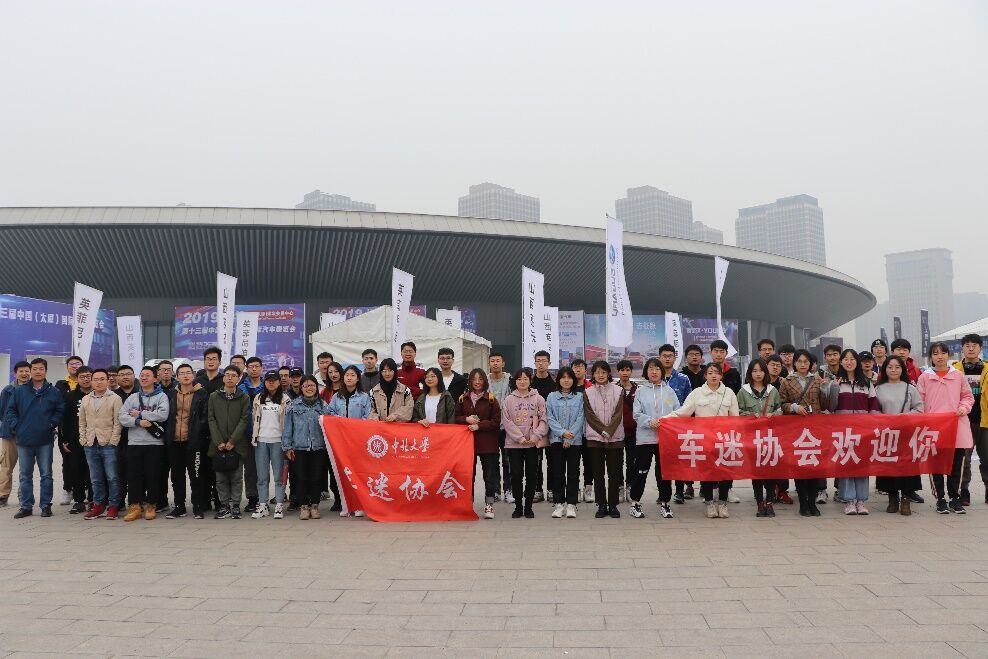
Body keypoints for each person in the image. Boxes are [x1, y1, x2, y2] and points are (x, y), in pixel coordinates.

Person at [664, 362, 740, 519]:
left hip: (724, 440)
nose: (713, 375)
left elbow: (735, 417)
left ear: (721, 375)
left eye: (716, 372)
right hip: (704, 440)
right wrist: (665, 419)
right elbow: (683, 412)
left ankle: (723, 503)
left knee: (725, 472)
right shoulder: (697, 393)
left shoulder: (729, 393)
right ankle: (709, 503)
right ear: (705, 376)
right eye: (710, 373)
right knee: (707, 473)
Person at [917, 342, 975, 515]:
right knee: (936, 464)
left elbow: (967, 396)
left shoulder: (958, 375)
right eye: (935, 353)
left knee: (957, 464)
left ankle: (954, 498)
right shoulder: (924, 378)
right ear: (931, 357)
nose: (939, 357)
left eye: (943, 353)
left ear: (948, 355)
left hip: (956, 426)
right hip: (933, 429)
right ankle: (940, 499)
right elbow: (919, 402)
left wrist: (964, 407)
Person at [6, 358, 64, 518]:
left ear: (46, 371)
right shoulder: (20, 391)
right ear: (31, 371)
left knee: (46, 474)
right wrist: (16, 426)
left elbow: (60, 410)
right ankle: (26, 506)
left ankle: (45, 505)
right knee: (25, 474)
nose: (38, 371)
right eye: (35, 368)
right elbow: (10, 411)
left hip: (45, 439)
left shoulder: (53, 391)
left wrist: (51, 423)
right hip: (24, 439)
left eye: (41, 368)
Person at [779, 349, 833, 517]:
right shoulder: (787, 381)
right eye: (799, 361)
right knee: (799, 466)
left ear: (811, 364)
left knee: (814, 466)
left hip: (814, 428)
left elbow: (825, 405)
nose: (803, 364)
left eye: (806, 362)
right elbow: (782, 404)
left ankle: (812, 502)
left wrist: (825, 389)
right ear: (794, 363)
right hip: (796, 428)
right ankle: (803, 502)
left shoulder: (817, 380)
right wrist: (794, 407)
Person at [630, 358, 680, 520]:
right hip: (645, 439)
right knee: (641, 471)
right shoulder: (640, 391)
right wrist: (649, 421)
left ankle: (665, 503)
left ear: (662, 371)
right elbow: (636, 414)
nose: (654, 372)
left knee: (664, 473)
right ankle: (635, 503)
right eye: (651, 368)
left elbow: (677, 412)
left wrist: (667, 422)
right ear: (646, 371)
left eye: (657, 368)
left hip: (665, 439)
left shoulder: (669, 391)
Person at [832, 349, 881, 515]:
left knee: (862, 466)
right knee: (846, 464)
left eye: (852, 359)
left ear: (857, 362)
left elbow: (874, 406)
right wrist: (832, 388)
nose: (849, 362)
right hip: (843, 432)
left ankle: (861, 501)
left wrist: (873, 428)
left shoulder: (866, 383)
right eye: (845, 359)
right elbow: (830, 406)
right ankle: (849, 501)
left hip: (863, 432)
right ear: (841, 362)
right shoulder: (836, 382)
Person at [118, 366, 170, 522]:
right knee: (133, 476)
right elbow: (122, 417)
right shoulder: (133, 398)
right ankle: (135, 507)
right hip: (134, 443)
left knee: (153, 475)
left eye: (148, 375)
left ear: (155, 379)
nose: (144, 378)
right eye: (142, 375)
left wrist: (140, 413)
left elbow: (162, 415)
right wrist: (138, 422)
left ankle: (151, 505)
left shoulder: (162, 396)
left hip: (155, 444)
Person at [874, 355, 924, 515]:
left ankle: (906, 498)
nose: (893, 370)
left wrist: (904, 417)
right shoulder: (878, 389)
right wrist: (884, 419)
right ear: (885, 369)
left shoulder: (910, 388)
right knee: (889, 467)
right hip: (887, 435)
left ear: (903, 369)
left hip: (907, 434)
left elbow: (919, 409)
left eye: (897, 367)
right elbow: (874, 410)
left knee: (907, 466)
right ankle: (892, 498)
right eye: (890, 367)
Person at [737, 358, 782, 517]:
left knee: (770, 470)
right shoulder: (743, 392)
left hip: (770, 437)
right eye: (754, 371)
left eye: (761, 371)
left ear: (765, 373)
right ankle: (759, 502)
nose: (758, 374)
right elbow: (737, 412)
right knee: (756, 471)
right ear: (750, 373)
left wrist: (773, 414)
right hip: (752, 437)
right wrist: (750, 415)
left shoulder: (773, 391)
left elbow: (780, 409)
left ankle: (769, 501)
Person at [454, 369, 502, 519]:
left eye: (480, 379)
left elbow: (496, 421)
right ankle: (468, 503)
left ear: (484, 381)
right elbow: (456, 417)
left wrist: (479, 426)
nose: (477, 382)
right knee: (469, 475)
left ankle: (489, 505)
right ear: (470, 381)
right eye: (474, 379)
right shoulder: (463, 399)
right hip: (468, 444)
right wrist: (466, 419)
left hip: (488, 443)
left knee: (489, 476)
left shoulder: (491, 399)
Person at [501, 368, 548, 518]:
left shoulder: (538, 399)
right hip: (514, 444)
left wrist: (536, 436)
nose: (522, 381)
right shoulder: (509, 400)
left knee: (532, 475)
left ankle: (528, 507)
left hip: (532, 444)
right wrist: (519, 438)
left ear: (530, 380)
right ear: (515, 381)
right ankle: (518, 506)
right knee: (516, 475)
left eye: (525, 379)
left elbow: (544, 420)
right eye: (519, 379)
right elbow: (507, 421)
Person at [78, 369, 123, 520]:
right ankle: (98, 505)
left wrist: (113, 440)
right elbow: (82, 421)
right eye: (96, 379)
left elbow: (118, 422)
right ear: (91, 381)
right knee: (95, 478)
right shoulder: (86, 399)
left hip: (108, 443)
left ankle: (113, 506)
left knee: (112, 477)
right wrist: (83, 439)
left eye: (102, 379)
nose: (99, 382)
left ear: (107, 380)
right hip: (90, 444)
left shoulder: (115, 398)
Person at [283, 375, 329, 520]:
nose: (309, 388)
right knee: (300, 477)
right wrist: (287, 447)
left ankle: (314, 506)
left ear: (316, 387)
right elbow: (288, 428)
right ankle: (304, 506)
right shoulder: (293, 405)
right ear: (301, 388)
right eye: (306, 386)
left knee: (317, 478)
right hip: (299, 447)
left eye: (312, 385)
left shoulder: (323, 405)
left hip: (318, 447)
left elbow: (329, 426)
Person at [327, 366, 371, 518]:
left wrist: (353, 426)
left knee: (357, 473)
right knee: (342, 474)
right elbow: (330, 413)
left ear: (358, 378)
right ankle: (345, 505)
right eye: (347, 375)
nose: (349, 377)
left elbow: (367, 416)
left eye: (352, 375)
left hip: (357, 440)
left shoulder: (364, 397)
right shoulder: (336, 397)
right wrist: (339, 422)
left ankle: (359, 505)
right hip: (340, 441)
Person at [583, 360, 626, 519]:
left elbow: (618, 413)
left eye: (603, 372)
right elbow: (589, 415)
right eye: (597, 372)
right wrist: (603, 430)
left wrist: (609, 431)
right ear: (593, 374)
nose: (600, 375)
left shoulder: (619, 390)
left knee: (614, 474)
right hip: (595, 439)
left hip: (616, 438)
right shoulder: (587, 392)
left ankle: (613, 505)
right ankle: (601, 505)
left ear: (608, 373)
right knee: (598, 474)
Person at [207, 365, 250, 520]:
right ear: (223, 377)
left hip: (237, 444)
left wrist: (232, 441)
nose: (230, 378)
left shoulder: (244, 397)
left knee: (237, 477)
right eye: (227, 375)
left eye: (234, 375)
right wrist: (218, 440)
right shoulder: (214, 396)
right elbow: (211, 419)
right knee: (220, 478)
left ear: (239, 378)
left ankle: (236, 505)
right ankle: (224, 505)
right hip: (218, 445)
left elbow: (244, 420)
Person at [162, 363, 203, 519]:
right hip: (174, 441)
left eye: (188, 372)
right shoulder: (170, 394)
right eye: (182, 373)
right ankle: (179, 506)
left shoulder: (202, 394)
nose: (185, 375)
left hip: (193, 441)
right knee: (177, 476)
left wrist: (199, 433)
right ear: (177, 376)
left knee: (196, 476)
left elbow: (205, 417)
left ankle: (197, 505)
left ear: (193, 375)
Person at [953, 333, 988, 506]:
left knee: (987, 459)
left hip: (985, 421)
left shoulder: (987, 368)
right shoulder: (954, 370)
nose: (971, 348)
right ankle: (963, 491)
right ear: (962, 348)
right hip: (963, 422)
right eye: (967, 345)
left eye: (974, 345)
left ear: (981, 348)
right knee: (964, 460)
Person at [250, 371, 289, 519]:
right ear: (264, 382)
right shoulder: (258, 398)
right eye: (268, 380)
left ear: (279, 382)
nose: (271, 383)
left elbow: (288, 421)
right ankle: (263, 505)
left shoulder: (285, 399)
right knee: (262, 477)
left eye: (274, 380)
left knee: (279, 477)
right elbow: (254, 418)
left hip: (278, 441)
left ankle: (279, 505)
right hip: (261, 441)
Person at [545, 366, 583, 519]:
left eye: (569, 377)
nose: (566, 380)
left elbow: (581, 418)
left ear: (573, 380)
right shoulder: (551, 397)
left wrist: (569, 438)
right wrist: (562, 433)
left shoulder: (579, 397)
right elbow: (549, 417)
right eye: (563, 377)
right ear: (558, 380)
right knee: (557, 473)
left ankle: (571, 504)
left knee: (573, 473)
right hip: (556, 440)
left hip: (575, 441)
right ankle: (559, 504)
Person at [61, 366, 94, 513]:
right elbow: (65, 420)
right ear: (77, 379)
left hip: (95, 439)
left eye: (88, 376)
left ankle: (93, 500)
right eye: (82, 377)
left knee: (93, 471)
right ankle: (79, 501)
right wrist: (65, 440)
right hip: (75, 440)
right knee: (76, 470)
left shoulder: (98, 394)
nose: (86, 379)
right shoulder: (70, 396)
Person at [0, 361, 31, 508]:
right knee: (6, 466)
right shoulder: (8, 390)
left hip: (29, 435)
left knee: (26, 468)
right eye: (21, 371)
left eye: (27, 371)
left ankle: (23, 495)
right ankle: (3, 495)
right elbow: (2, 411)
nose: (24, 374)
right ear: (15, 373)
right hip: (10, 435)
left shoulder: (35, 389)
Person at [236, 356, 264, 514]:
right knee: (250, 468)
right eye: (251, 366)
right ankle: (252, 498)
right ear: (246, 368)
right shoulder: (240, 388)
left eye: (257, 366)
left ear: (261, 368)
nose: (254, 369)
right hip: (246, 434)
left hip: (265, 433)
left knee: (263, 467)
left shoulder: (268, 386)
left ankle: (264, 498)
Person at [54, 355, 84, 506]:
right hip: (66, 427)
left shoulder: (88, 382)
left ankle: (84, 490)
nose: (74, 366)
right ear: (67, 367)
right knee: (67, 461)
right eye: (71, 364)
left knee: (85, 461)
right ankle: (68, 489)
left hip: (85, 428)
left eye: (78, 363)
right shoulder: (61, 384)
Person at [765, 354, 793, 505]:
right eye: (772, 364)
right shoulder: (760, 382)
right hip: (764, 427)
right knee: (767, 459)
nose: (775, 367)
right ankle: (769, 491)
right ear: (766, 366)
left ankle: (782, 491)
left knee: (782, 459)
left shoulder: (785, 382)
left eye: (778, 365)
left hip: (782, 427)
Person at [488, 352, 513, 504]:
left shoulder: (510, 380)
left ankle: (508, 490)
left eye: (498, 361)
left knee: (507, 460)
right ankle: (496, 490)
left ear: (503, 363)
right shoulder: (484, 381)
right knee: (492, 461)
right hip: (491, 427)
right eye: (492, 361)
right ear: (489, 364)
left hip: (507, 427)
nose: (495, 363)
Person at [531, 350, 555, 503]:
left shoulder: (555, 383)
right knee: (536, 461)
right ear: (534, 363)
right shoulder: (530, 383)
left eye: (544, 361)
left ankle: (552, 490)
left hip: (552, 427)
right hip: (534, 428)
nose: (541, 363)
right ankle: (537, 490)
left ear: (549, 363)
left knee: (553, 461)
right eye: (538, 361)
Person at [112, 364, 138, 505]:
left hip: (139, 439)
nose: (125, 377)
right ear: (117, 378)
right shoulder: (112, 395)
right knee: (119, 471)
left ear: (134, 376)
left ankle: (139, 500)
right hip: (118, 440)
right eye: (122, 375)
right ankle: (119, 500)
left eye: (128, 374)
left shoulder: (141, 393)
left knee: (138, 472)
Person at [570, 358, 595, 503]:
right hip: (572, 431)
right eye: (575, 367)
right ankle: (575, 489)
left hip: (588, 430)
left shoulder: (591, 387)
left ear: (585, 370)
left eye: (580, 367)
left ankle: (588, 488)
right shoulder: (568, 387)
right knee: (573, 462)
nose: (577, 369)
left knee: (589, 461)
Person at [616, 359, 637, 504]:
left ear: (631, 372)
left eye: (627, 370)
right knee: (617, 461)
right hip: (617, 431)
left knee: (632, 461)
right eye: (622, 370)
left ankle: (630, 487)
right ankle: (619, 487)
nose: (625, 373)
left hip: (634, 432)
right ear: (618, 372)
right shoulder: (614, 389)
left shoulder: (638, 389)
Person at [368, 358, 414, 423]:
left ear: (395, 371)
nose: (387, 374)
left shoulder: (405, 390)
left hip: (398, 427)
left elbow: (409, 408)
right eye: (384, 371)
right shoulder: (373, 391)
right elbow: (371, 409)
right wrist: (374, 417)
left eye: (390, 370)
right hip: (380, 427)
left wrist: (396, 416)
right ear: (380, 372)